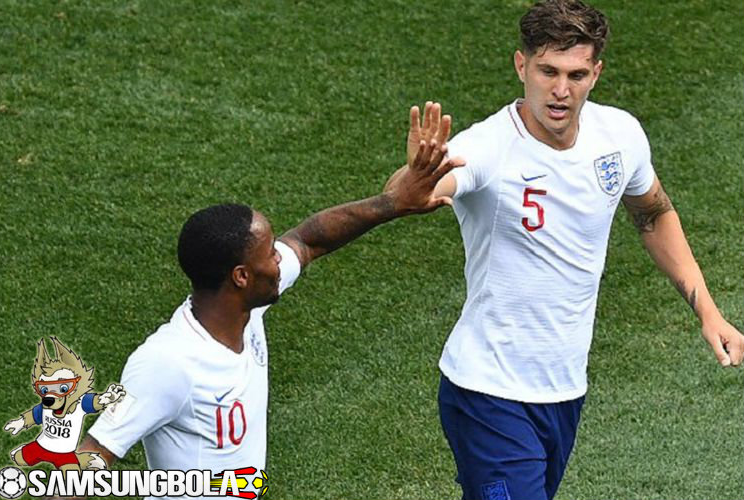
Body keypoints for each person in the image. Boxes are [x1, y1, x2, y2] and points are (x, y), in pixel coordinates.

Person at [396, 1, 744, 499]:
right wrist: (413, 179)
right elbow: (414, 193)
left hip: (563, 392)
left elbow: (653, 213)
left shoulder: (619, 136)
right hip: (487, 393)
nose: (561, 90)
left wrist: (708, 312)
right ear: (521, 66)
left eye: (576, 75)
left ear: (595, 73)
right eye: (548, 71)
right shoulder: (489, 147)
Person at [72, 115, 463, 497]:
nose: (279, 258)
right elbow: (89, 460)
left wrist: (393, 203)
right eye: (269, 254)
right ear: (241, 276)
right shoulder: (168, 363)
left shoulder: (247, 311)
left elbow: (308, 241)